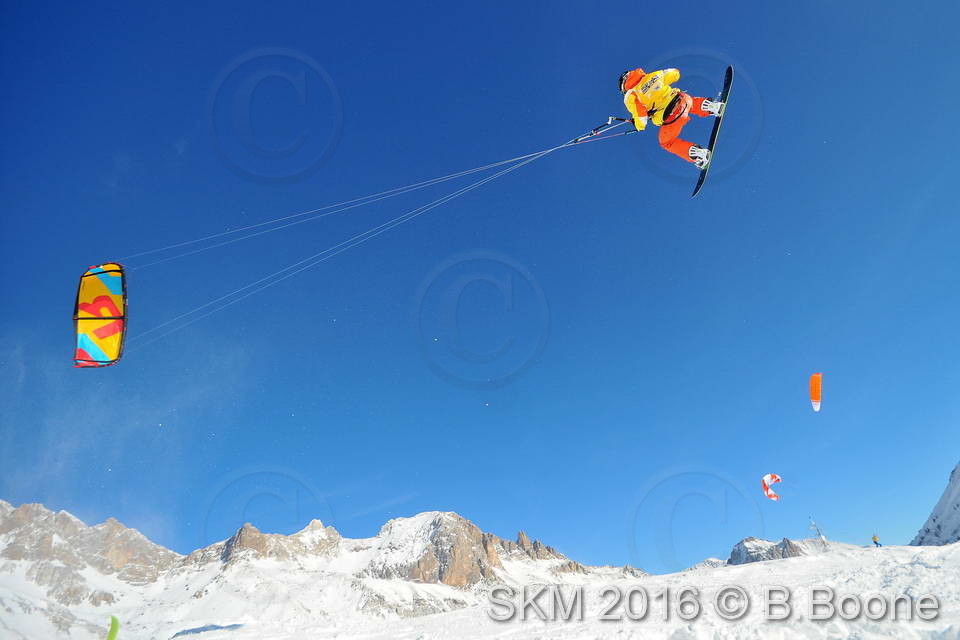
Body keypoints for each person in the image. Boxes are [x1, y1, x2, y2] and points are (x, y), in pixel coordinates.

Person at [619, 67, 724, 169]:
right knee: (688, 102)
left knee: (666, 142)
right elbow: (675, 73)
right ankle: (712, 106)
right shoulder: (652, 76)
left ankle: (699, 154)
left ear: (624, 87)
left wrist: (637, 125)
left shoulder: (630, 96)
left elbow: (641, 118)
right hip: (683, 100)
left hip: (673, 116)